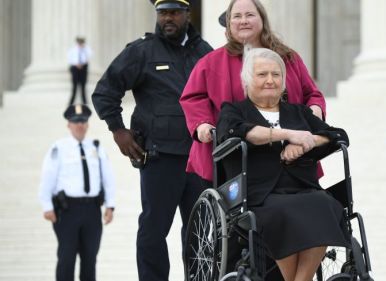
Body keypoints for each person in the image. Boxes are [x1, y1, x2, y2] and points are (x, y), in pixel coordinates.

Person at [91, 0, 212, 280]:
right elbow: (105, 91)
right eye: (162, 13)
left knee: (201, 233)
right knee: (153, 230)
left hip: (199, 157)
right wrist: (118, 130)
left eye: (174, 12)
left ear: (187, 14)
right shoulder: (142, 51)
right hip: (160, 159)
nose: (167, 18)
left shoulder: (205, 52)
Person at [216, 48, 349, 281]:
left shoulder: (298, 112)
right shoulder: (234, 110)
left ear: (284, 81)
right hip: (259, 194)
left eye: (276, 75)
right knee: (281, 212)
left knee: (326, 206)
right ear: (247, 80)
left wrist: (306, 142)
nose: (270, 80)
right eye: (262, 74)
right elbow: (245, 133)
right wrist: (289, 135)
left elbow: (337, 136)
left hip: (303, 187)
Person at [180, 0, 326, 186]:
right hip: (235, 152)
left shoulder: (289, 57)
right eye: (237, 16)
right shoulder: (210, 62)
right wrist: (202, 124)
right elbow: (194, 97)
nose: (243, 21)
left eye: (250, 15)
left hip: (290, 148)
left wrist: (314, 110)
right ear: (229, 24)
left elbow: (311, 93)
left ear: (262, 20)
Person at [38, 104, 115, 281]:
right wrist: (47, 206)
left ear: (87, 124)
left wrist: (110, 205)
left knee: (90, 259)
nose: (80, 125)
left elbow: (108, 177)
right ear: (68, 124)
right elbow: (48, 177)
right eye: (75, 121)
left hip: (92, 210)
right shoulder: (59, 148)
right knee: (66, 258)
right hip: (67, 211)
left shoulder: (96, 147)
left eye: (83, 121)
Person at [67, 36, 92, 105]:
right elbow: (70, 59)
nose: (81, 44)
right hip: (75, 68)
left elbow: (89, 56)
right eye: (79, 42)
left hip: (83, 68)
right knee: (74, 86)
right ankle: (71, 103)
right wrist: (76, 64)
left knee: (83, 86)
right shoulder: (73, 49)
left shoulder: (86, 49)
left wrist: (82, 64)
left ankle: (85, 102)